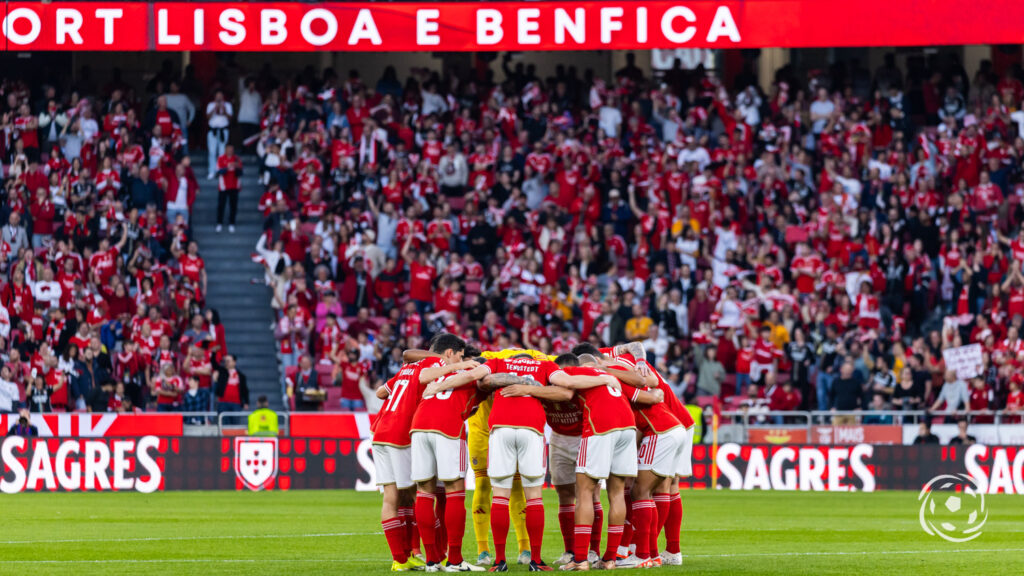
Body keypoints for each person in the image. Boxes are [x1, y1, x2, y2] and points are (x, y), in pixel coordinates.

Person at [372, 334, 477, 572]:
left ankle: (403, 557)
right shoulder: (435, 365)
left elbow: (380, 393)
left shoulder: (406, 369)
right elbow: (426, 377)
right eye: (459, 356)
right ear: (449, 353)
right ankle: (431, 554)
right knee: (422, 493)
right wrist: (461, 367)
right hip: (402, 431)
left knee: (394, 497)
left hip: (380, 430)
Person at [206, 90, 233, 180]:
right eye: (217, 96)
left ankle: (221, 171)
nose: (219, 98)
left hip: (223, 130)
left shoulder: (228, 105)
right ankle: (212, 171)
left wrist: (224, 110)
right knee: (212, 152)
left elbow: (230, 118)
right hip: (212, 131)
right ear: (215, 97)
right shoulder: (210, 105)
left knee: (222, 152)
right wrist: (215, 108)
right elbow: (207, 117)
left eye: (220, 96)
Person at [215, 144, 242, 232]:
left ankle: (232, 223)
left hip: (234, 186)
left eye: (231, 149)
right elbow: (219, 171)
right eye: (228, 149)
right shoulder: (221, 158)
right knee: (221, 206)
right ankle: (219, 223)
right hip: (223, 186)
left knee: (233, 206)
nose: (230, 151)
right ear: (225, 150)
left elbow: (240, 172)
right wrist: (227, 167)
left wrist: (236, 166)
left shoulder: (237, 159)